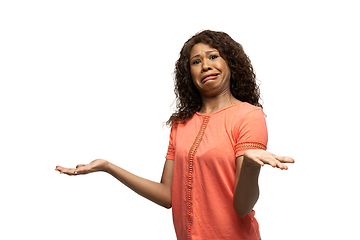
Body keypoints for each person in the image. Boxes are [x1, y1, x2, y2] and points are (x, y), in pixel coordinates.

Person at [56, 30, 294, 240]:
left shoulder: (248, 115)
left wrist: (252, 167)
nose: (206, 65)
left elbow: (242, 207)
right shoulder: (181, 123)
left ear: (231, 63)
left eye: (213, 56)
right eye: (196, 61)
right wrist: (109, 167)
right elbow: (168, 196)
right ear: (189, 73)